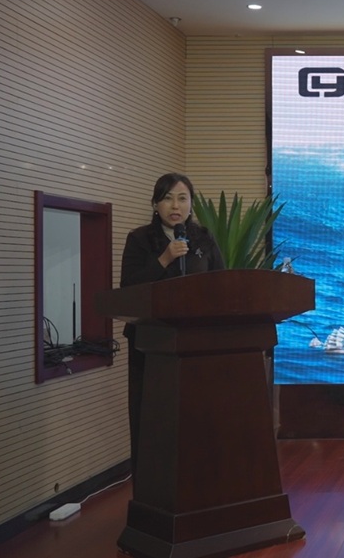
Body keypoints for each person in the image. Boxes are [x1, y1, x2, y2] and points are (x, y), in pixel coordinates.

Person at [119, 172, 224, 477]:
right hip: (150, 345)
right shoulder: (139, 239)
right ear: (155, 204)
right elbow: (128, 290)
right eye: (167, 199)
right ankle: (152, 482)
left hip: (197, 343)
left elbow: (221, 284)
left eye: (182, 198)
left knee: (197, 416)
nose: (175, 206)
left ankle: (200, 479)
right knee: (153, 416)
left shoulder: (204, 238)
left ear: (191, 204)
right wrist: (163, 259)